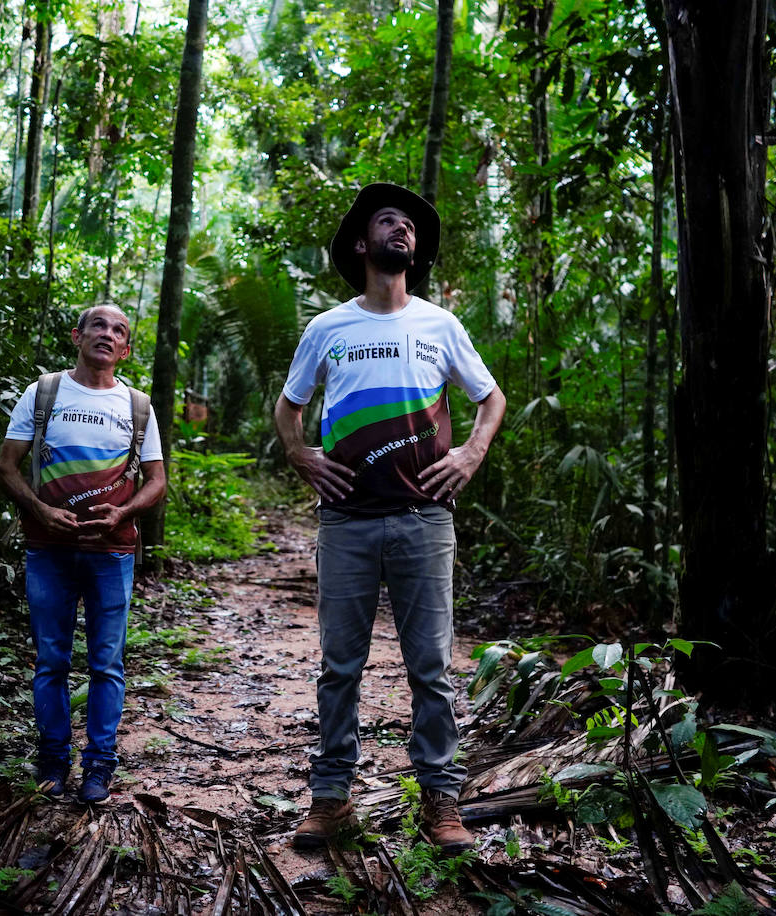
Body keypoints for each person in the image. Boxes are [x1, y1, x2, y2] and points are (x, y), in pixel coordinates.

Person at [274, 183, 506, 852]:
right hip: (345, 520)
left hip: (423, 519)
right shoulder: (328, 328)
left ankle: (441, 802)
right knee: (339, 665)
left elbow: (490, 400)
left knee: (429, 666)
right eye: (387, 221)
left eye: (408, 225)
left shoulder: (440, 325)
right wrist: (301, 455)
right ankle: (330, 799)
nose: (400, 230)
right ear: (360, 243)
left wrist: (469, 454)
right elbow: (289, 407)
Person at [0, 304, 166, 804]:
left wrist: (124, 514)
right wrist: (40, 511)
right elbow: (7, 468)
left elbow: (156, 481)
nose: (107, 335)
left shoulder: (137, 405)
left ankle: (99, 767)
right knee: (51, 659)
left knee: (107, 663)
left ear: (126, 349)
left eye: (119, 331)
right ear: (77, 335)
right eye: (99, 325)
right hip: (49, 549)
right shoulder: (43, 392)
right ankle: (52, 762)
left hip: (111, 552)